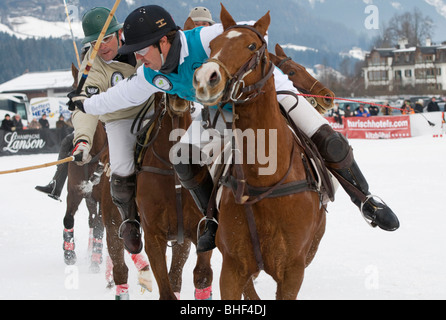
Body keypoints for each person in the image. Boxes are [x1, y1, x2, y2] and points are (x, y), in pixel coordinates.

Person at [68, 5, 399, 253]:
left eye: (141, 51)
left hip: (269, 96)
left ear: (164, 42)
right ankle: (211, 217)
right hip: (220, 115)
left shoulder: (208, 37)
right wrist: (84, 104)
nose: (138, 58)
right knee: (182, 156)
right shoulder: (152, 75)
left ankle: (366, 200)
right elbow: (117, 97)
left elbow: (252, 36)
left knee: (329, 139)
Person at [36, 7, 153, 255]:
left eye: (106, 39)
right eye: (94, 43)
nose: (101, 47)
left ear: (119, 33)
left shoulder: (140, 44)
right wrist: (83, 141)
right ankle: (130, 221)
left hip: (153, 113)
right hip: (118, 120)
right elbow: (85, 107)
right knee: (120, 167)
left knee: (187, 151)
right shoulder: (91, 64)